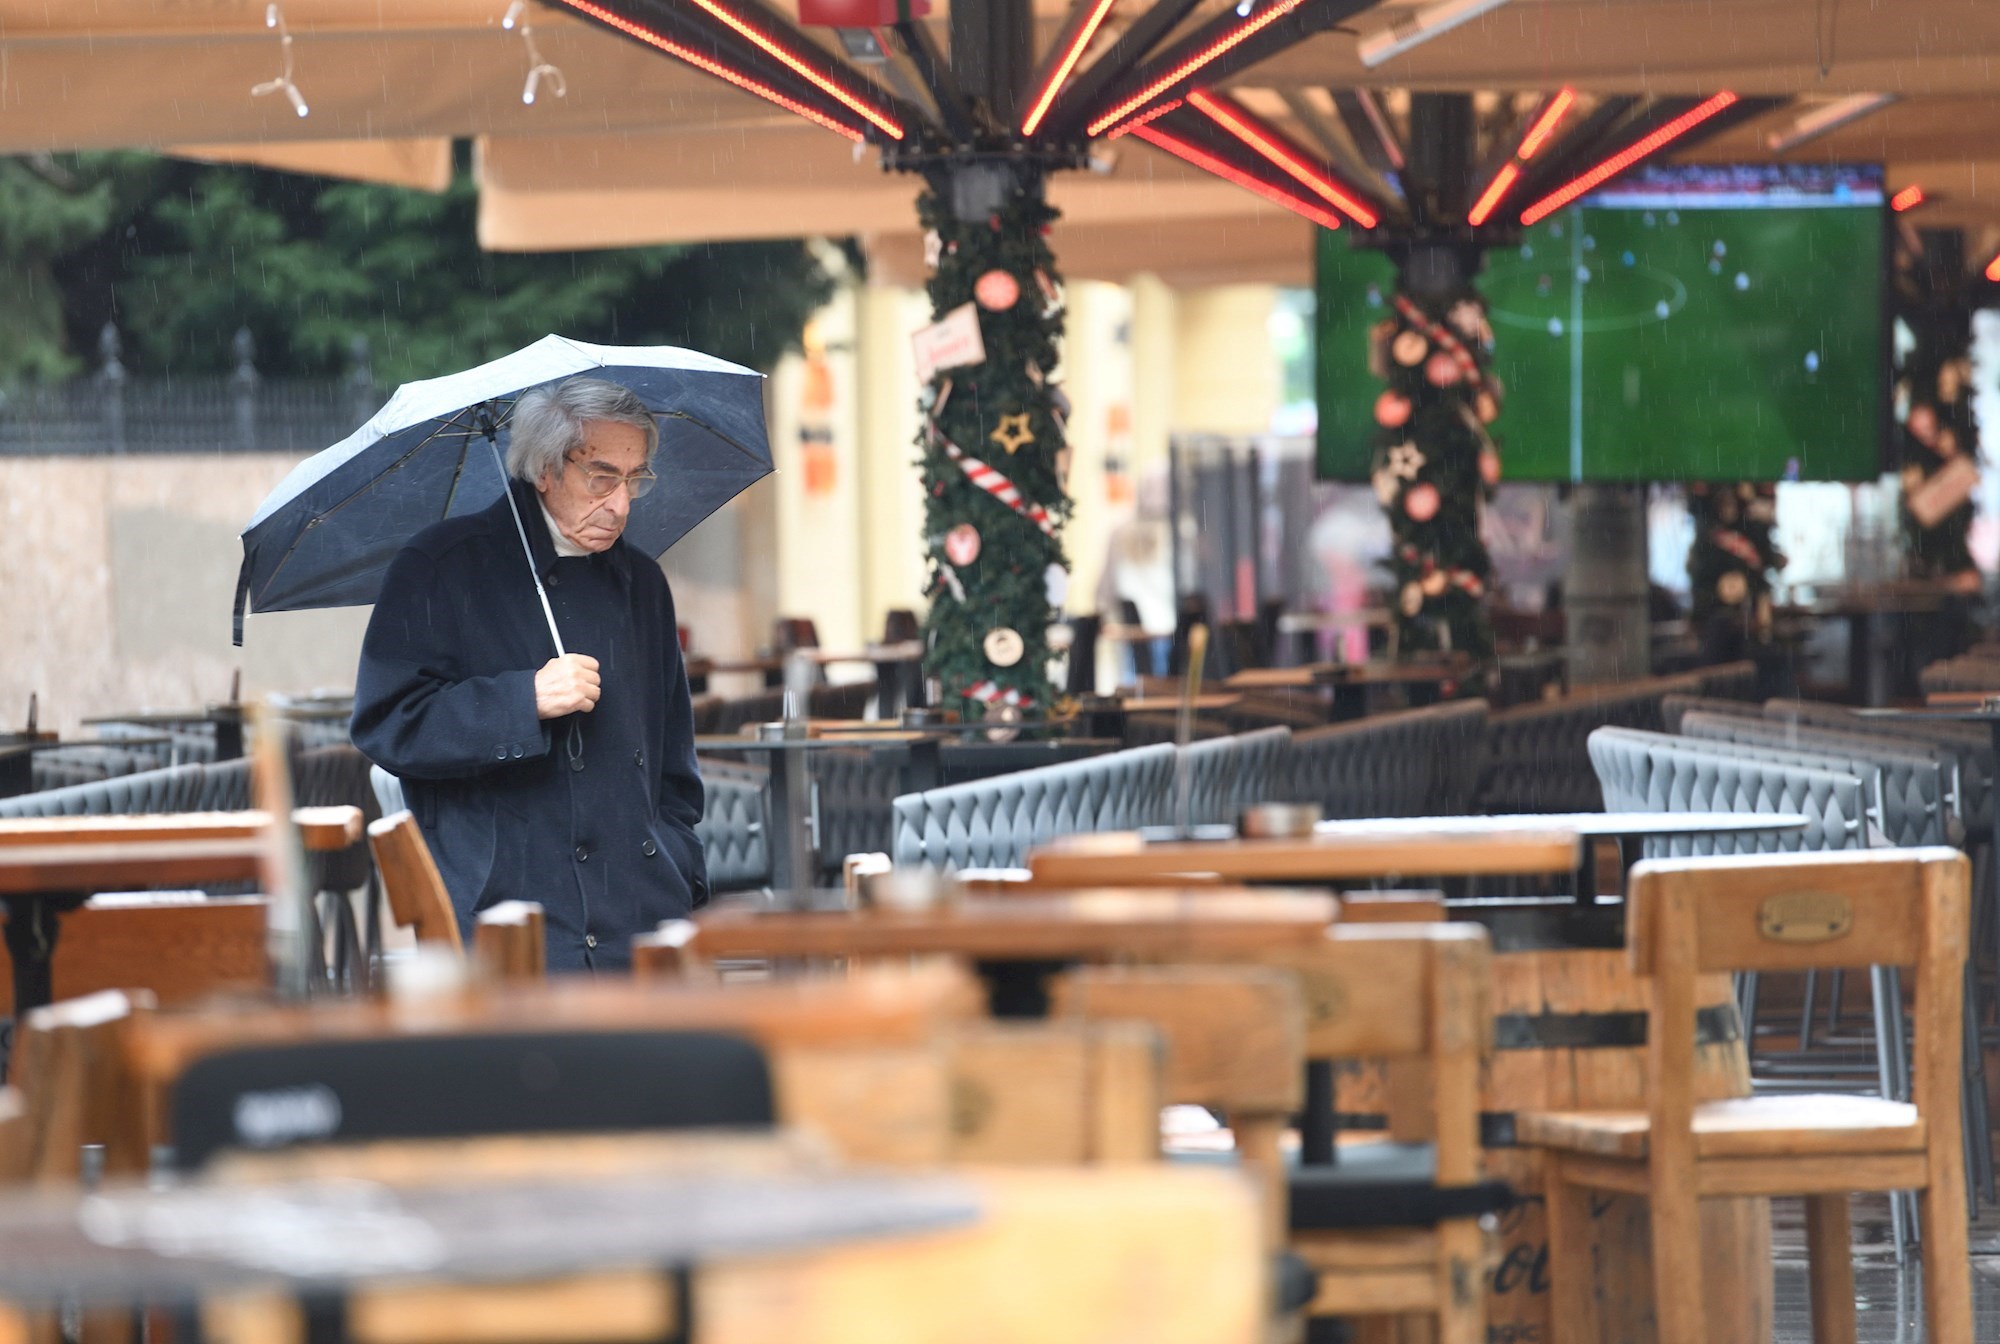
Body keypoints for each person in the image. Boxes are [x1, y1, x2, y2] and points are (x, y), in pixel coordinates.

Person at [352, 377, 707, 971]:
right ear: (545, 469)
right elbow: (388, 723)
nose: (620, 503)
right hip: (512, 923)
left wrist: (678, 867)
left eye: (634, 479)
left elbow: (675, 764)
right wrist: (523, 700)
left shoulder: (643, 583)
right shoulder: (439, 568)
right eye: (601, 478)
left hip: (639, 919)